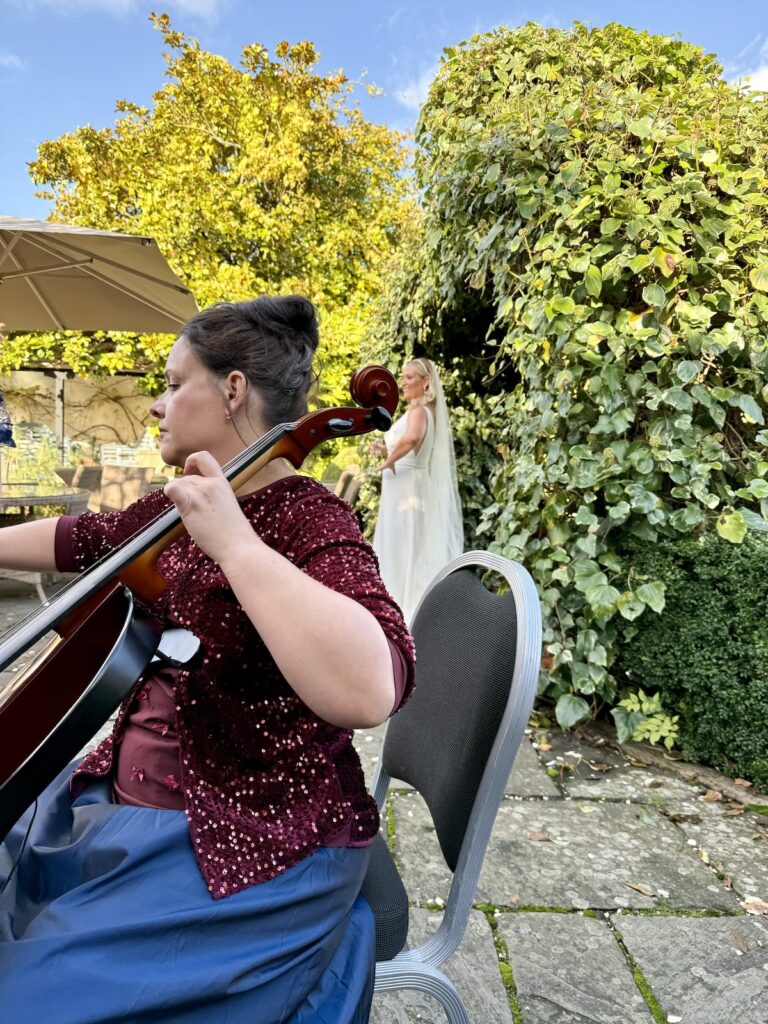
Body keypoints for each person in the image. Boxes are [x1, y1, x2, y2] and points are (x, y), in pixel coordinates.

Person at [0, 296, 415, 1023]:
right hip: (126, 803)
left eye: (171, 383)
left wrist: (236, 543)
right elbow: (75, 536)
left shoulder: (309, 517)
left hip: (244, 834)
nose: (156, 406)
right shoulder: (176, 512)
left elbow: (371, 684)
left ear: (231, 390)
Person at [371, 357, 463, 624]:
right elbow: (410, 442)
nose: (404, 383)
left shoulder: (419, 412)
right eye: (404, 377)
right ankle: (399, 603)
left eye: (410, 377)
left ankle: (405, 610)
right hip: (405, 488)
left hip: (407, 489)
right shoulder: (419, 412)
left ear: (426, 382)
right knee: (404, 546)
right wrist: (387, 451)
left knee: (405, 547)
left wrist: (390, 460)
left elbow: (411, 440)